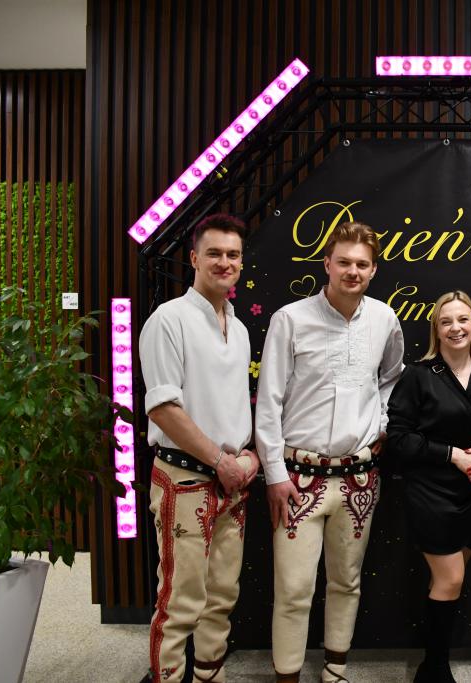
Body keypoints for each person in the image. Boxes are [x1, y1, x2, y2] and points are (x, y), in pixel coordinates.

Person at [255, 221, 404, 683]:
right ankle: (287, 676)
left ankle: (336, 669)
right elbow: (268, 401)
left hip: (360, 477)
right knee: (294, 587)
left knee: (347, 581)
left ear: (373, 270)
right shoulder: (290, 319)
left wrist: (381, 422)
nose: (352, 271)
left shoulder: (385, 319)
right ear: (327, 264)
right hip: (298, 477)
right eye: (344, 262)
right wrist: (274, 473)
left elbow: (392, 377)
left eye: (362, 264)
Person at [140, 213, 258, 683]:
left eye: (233, 255)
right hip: (186, 477)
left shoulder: (239, 327)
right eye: (214, 253)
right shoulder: (169, 319)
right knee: (180, 601)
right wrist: (220, 460)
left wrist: (247, 455)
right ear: (193, 258)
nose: (224, 262)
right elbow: (162, 408)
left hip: (232, 479)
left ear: (241, 262)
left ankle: (211, 675)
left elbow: (232, 404)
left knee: (221, 596)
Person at [386, 290, 471, 683]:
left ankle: (429, 666)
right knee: (451, 580)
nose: (456, 328)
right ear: (436, 328)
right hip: (430, 491)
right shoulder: (418, 375)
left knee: (447, 582)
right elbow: (399, 438)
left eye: (463, 319)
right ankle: (436, 670)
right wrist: (451, 454)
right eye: (446, 321)